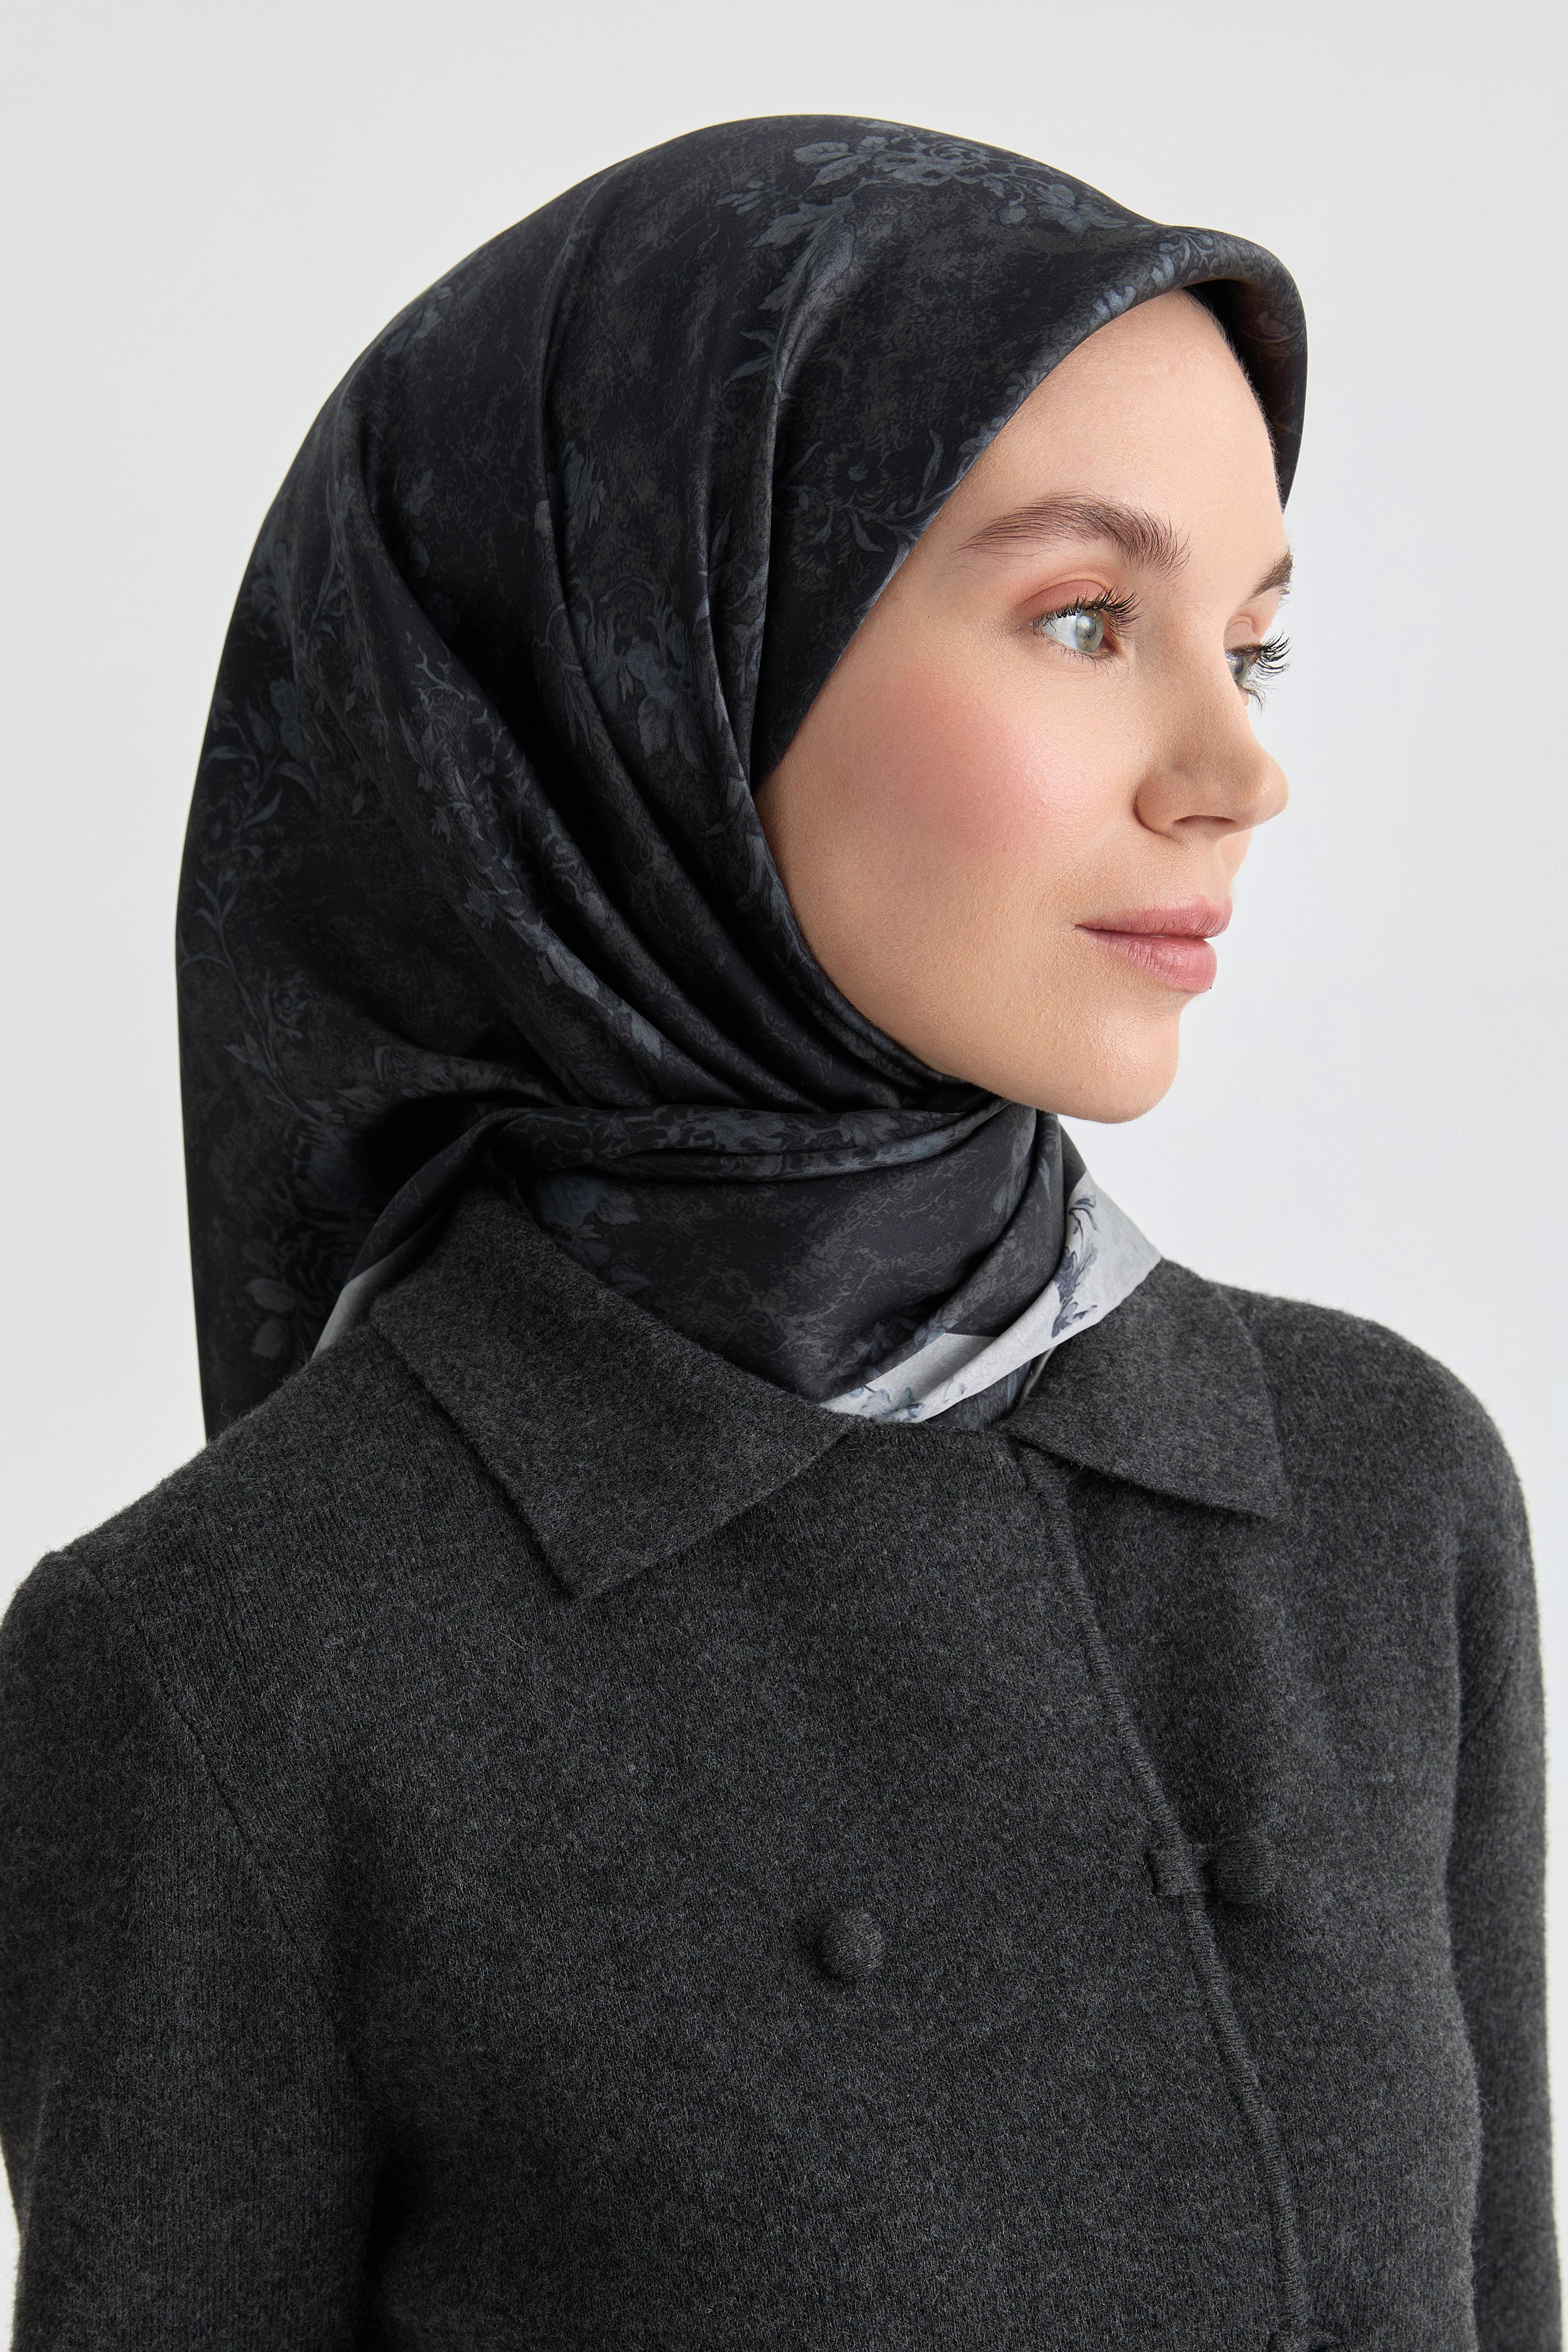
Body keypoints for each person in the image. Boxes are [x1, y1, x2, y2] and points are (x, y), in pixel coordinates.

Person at [0, 114, 1555, 2350]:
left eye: (1256, 645)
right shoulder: (240, 1654)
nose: (1234, 767)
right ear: (663, 657)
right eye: (1088, 620)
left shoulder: (1383, 1496)